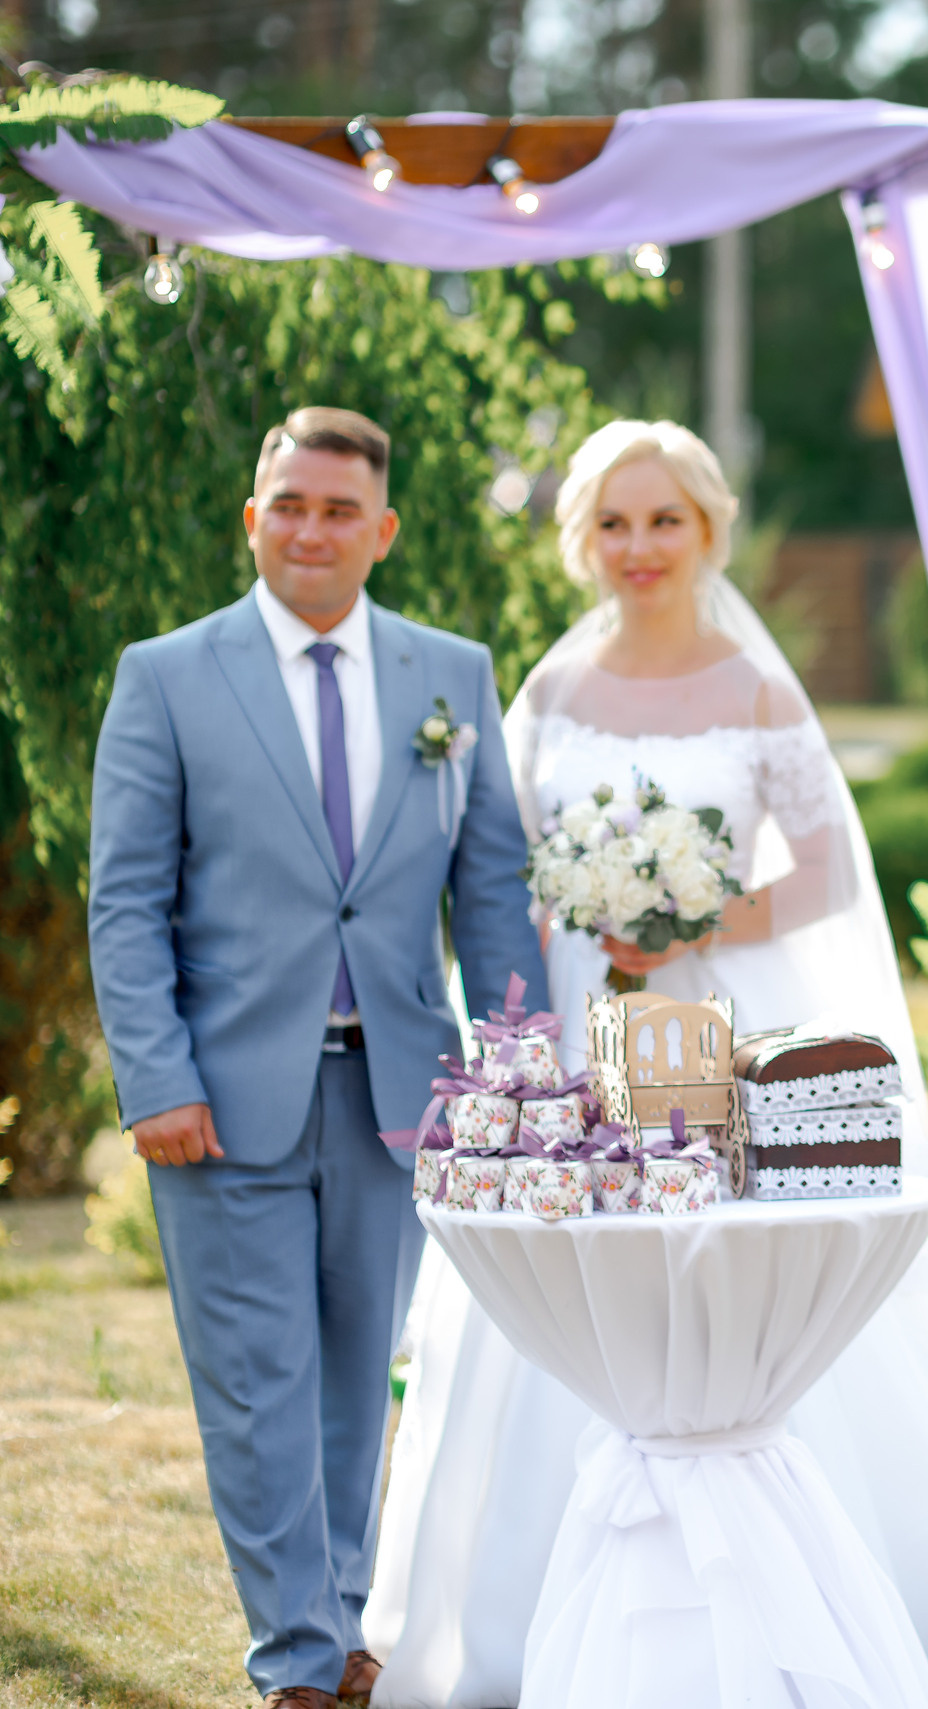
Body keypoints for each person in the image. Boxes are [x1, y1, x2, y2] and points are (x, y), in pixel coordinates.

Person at [365, 419, 928, 1709]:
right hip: (583, 1027)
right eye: (615, 525)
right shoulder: (546, 696)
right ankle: (526, 1612)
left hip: (721, 1027)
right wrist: (566, 968)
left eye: (665, 522)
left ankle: (815, 1583)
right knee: (571, 1269)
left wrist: (687, 921)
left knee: (734, 1265)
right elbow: (502, 871)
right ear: (585, 541)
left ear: (710, 531)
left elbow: (819, 873)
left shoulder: (755, 691)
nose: (639, 548)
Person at [87, 407, 548, 1709]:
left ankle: (336, 1618)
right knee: (259, 1380)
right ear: (253, 516)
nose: (311, 528)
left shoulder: (451, 676)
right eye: (288, 503)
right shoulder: (166, 675)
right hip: (221, 1096)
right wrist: (156, 1072)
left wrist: (512, 1069)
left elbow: (494, 883)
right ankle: (298, 1657)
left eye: (339, 509)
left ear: (383, 529)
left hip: (402, 1090)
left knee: (360, 1370)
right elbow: (125, 898)